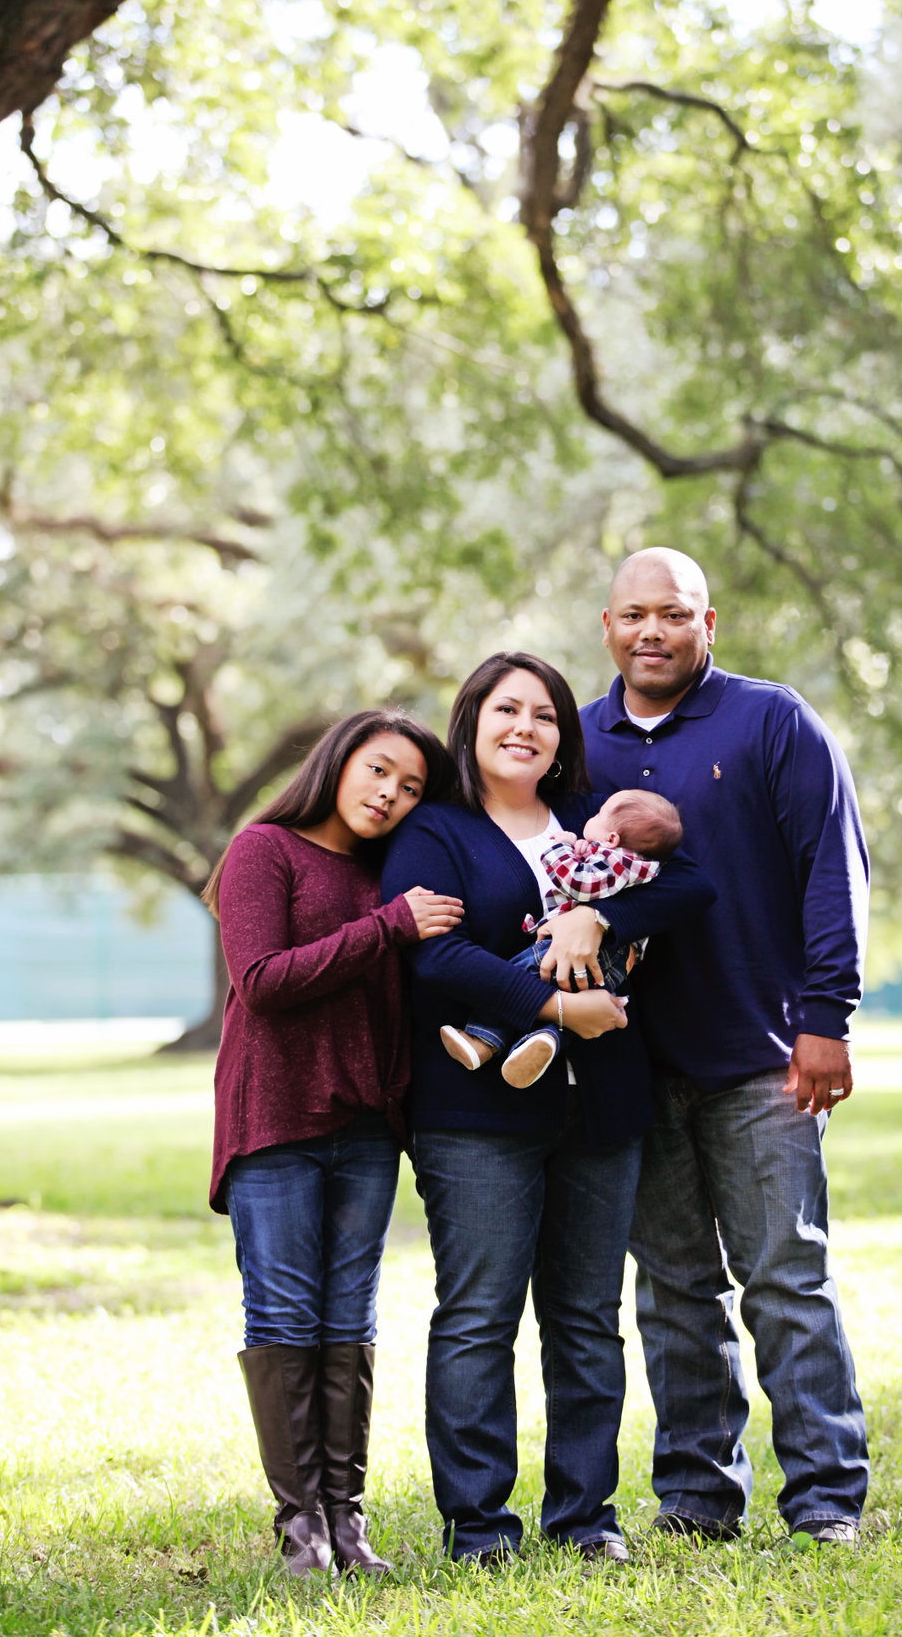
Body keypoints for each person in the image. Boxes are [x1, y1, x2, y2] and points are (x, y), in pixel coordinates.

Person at [381, 653, 716, 1565]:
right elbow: (431, 961)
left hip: (599, 1109)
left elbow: (690, 885)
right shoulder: (435, 833)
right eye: (506, 710)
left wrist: (598, 921)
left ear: (563, 737)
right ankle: (480, 1527)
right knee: (479, 1315)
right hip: (473, 1115)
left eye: (544, 715)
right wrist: (553, 1005)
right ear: (472, 722)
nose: (525, 727)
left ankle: (584, 1519)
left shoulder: (591, 821)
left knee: (583, 1319)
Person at [579, 548, 870, 1548]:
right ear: (607, 625)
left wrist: (825, 1018)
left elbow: (832, 869)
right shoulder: (576, 742)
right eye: (632, 614)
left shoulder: (771, 720)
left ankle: (826, 1495)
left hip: (763, 1056)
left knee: (786, 1276)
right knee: (671, 1290)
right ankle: (699, 1496)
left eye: (673, 612)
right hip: (631, 1065)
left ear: (712, 624)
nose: (650, 630)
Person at [202, 711, 463, 1578]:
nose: (389, 794)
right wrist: (389, 927)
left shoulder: (396, 872)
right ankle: (299, 1529)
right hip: (274, 1119)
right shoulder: (262, 850)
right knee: (282, 1313)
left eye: (411, 787)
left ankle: (346, 1522)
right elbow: (264, 981)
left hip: (363, 1128)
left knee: (348, 1316)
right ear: (338, 762)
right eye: (379, 770)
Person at [439, 788, 683, 1089]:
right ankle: (542, 1040)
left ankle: (482, 1038)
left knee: (522, 972)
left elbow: (579, 884)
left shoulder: (621, 861)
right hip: (610, 963)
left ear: (612, 840)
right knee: (563, 1010)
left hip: (598, 952)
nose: (590, 817)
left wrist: (560, 847)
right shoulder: (635, 863)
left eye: (598, 816)